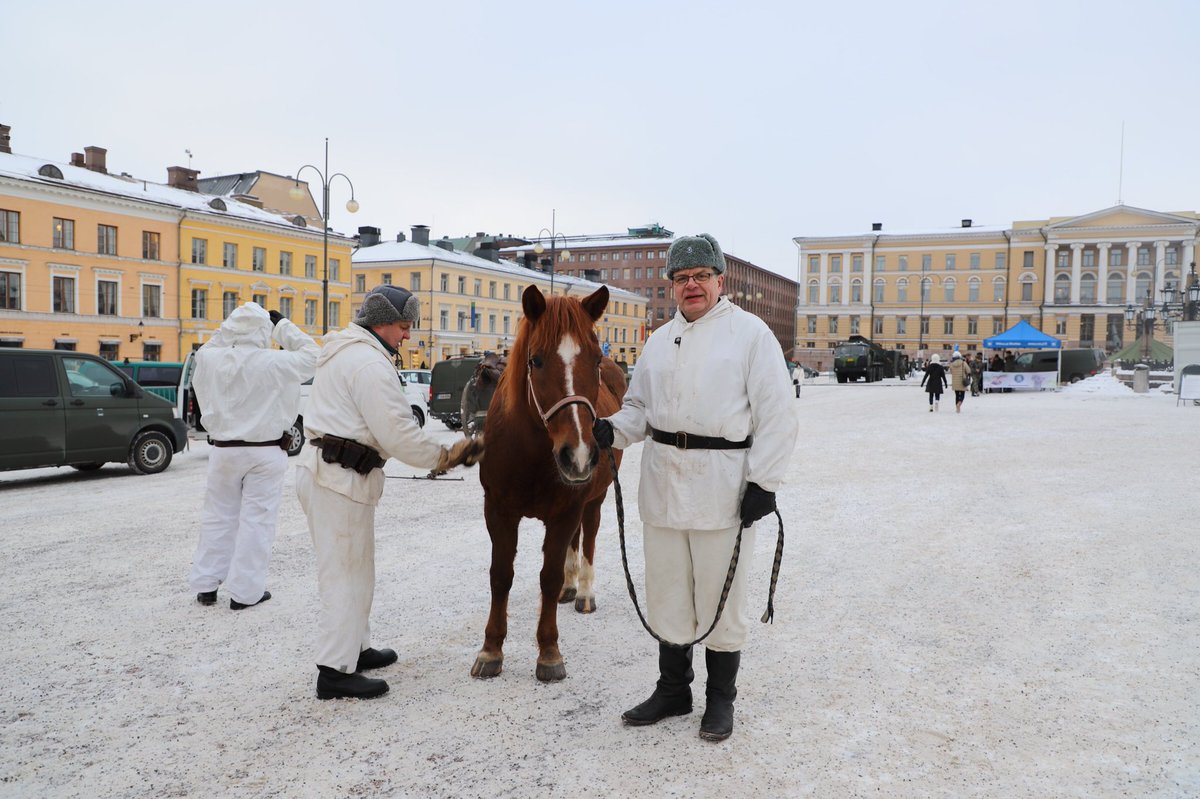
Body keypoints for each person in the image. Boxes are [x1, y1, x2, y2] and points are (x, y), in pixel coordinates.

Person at [591, 234, 798, 742]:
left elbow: (777, 415)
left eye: (701, 276)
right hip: (663, 486)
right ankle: (673, 689)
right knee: (667, 593)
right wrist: (612, 428)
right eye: (682, 278)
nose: (691, 286)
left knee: (721, 600)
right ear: (673, 285)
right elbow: (640, 408)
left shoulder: (751, 335)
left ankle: (720, 699)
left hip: (722, 489)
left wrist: (764, 483)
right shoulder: (659, 340)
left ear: (719, 280)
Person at [295, 285, 484, 701]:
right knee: (344, 573)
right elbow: (397, 432)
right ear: (381, 322)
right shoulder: (367, 364)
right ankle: (334, 670)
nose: (407, 336)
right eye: (403, 326)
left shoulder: (352, 351)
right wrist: (445, 455)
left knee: (357, 567)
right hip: (338, 477)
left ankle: (354, 649)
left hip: (338, 473)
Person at [189, 302, 318, 610]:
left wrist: (232, 324)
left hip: (223, 451)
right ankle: (245, 593)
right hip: (265, 451)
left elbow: (215, 342)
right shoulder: (275, 361)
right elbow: (316, 355)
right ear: (264, 331)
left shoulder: (209, 358)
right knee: (256, 522)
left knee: (217, 517)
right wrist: (282, 325)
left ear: (230, 328)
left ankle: (206, 585)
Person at [460, 352, 505, 438]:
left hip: (480, 417)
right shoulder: (500, 372)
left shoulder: (475, 379)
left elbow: (468, 404)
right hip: (496, 417)